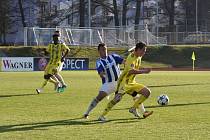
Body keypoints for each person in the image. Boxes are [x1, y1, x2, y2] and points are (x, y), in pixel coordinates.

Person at [98, 42, 153, 122]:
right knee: (117, 99)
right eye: (143, 50)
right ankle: (102, 116)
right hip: (124, 82)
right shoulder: (131, 57)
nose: (144, 52)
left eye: (145, 51)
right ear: (138, 50)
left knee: (147, 92)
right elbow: (131, 71)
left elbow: (136, 67)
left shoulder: (139, 57)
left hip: (132, 82)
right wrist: (144, 71)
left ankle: (134, 109)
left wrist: (143, 69)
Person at [83, 43, 124, 119]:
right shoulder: (99, 62)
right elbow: (101, 73)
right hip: (108, 84)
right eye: (102, 50)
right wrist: (103, 73)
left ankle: (142, 111)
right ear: (99, 51)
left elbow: (123, 61)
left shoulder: (113, 57)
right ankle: (86, 113)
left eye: (105, 49)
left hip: (119, 82)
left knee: (129, 94)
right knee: (98, 98)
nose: (104, 51)